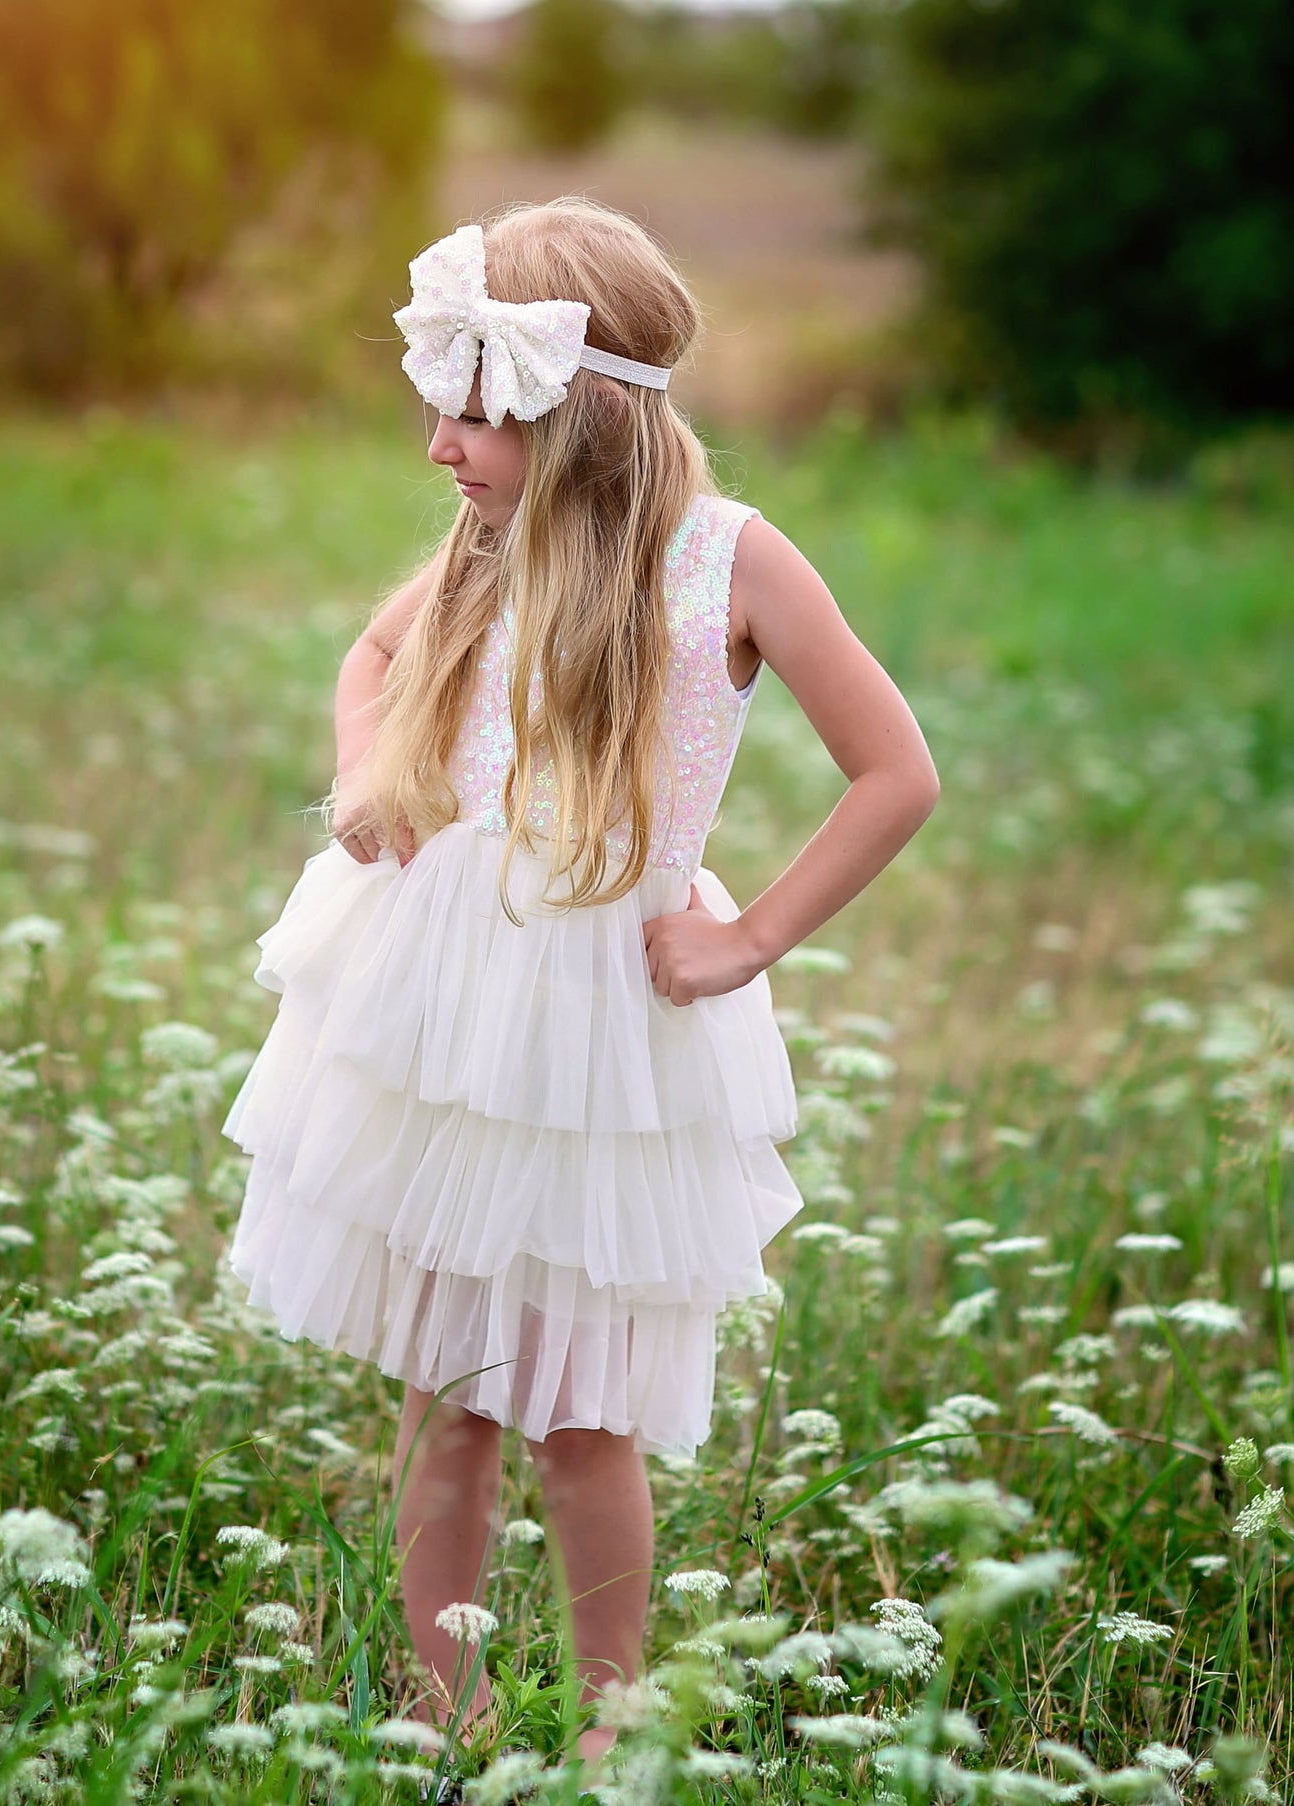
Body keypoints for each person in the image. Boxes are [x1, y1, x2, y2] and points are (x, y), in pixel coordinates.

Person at [220, 196, 939, 1789]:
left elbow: (895, 772)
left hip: (603, 1024)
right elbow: (369, 655)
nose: (436, 445)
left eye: (474, 407)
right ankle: (439, 1698)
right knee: (445, 1386)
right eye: (438, 399)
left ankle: (619, 1718)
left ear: (580, 407)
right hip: (450, 1000)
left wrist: (744, 940)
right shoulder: (490, 539)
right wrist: (363, 768)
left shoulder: (726, 560)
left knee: (581, 1404)